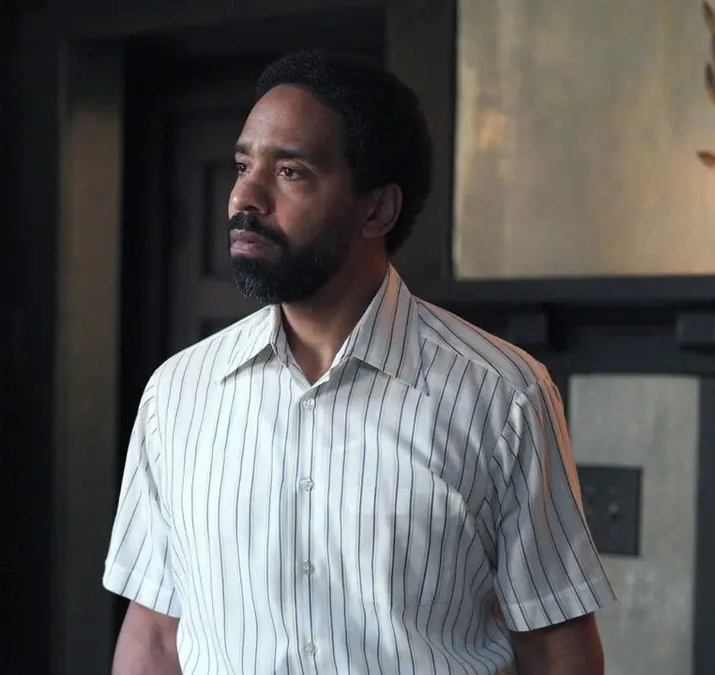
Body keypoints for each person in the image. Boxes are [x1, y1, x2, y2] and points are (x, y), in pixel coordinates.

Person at [103, 48, 614, 675]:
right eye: (242, 165)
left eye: (289, 171)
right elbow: (156, 636)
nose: (244, 196)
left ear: (377, 209)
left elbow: (555, 648)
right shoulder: (177, 393)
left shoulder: (502, 394)